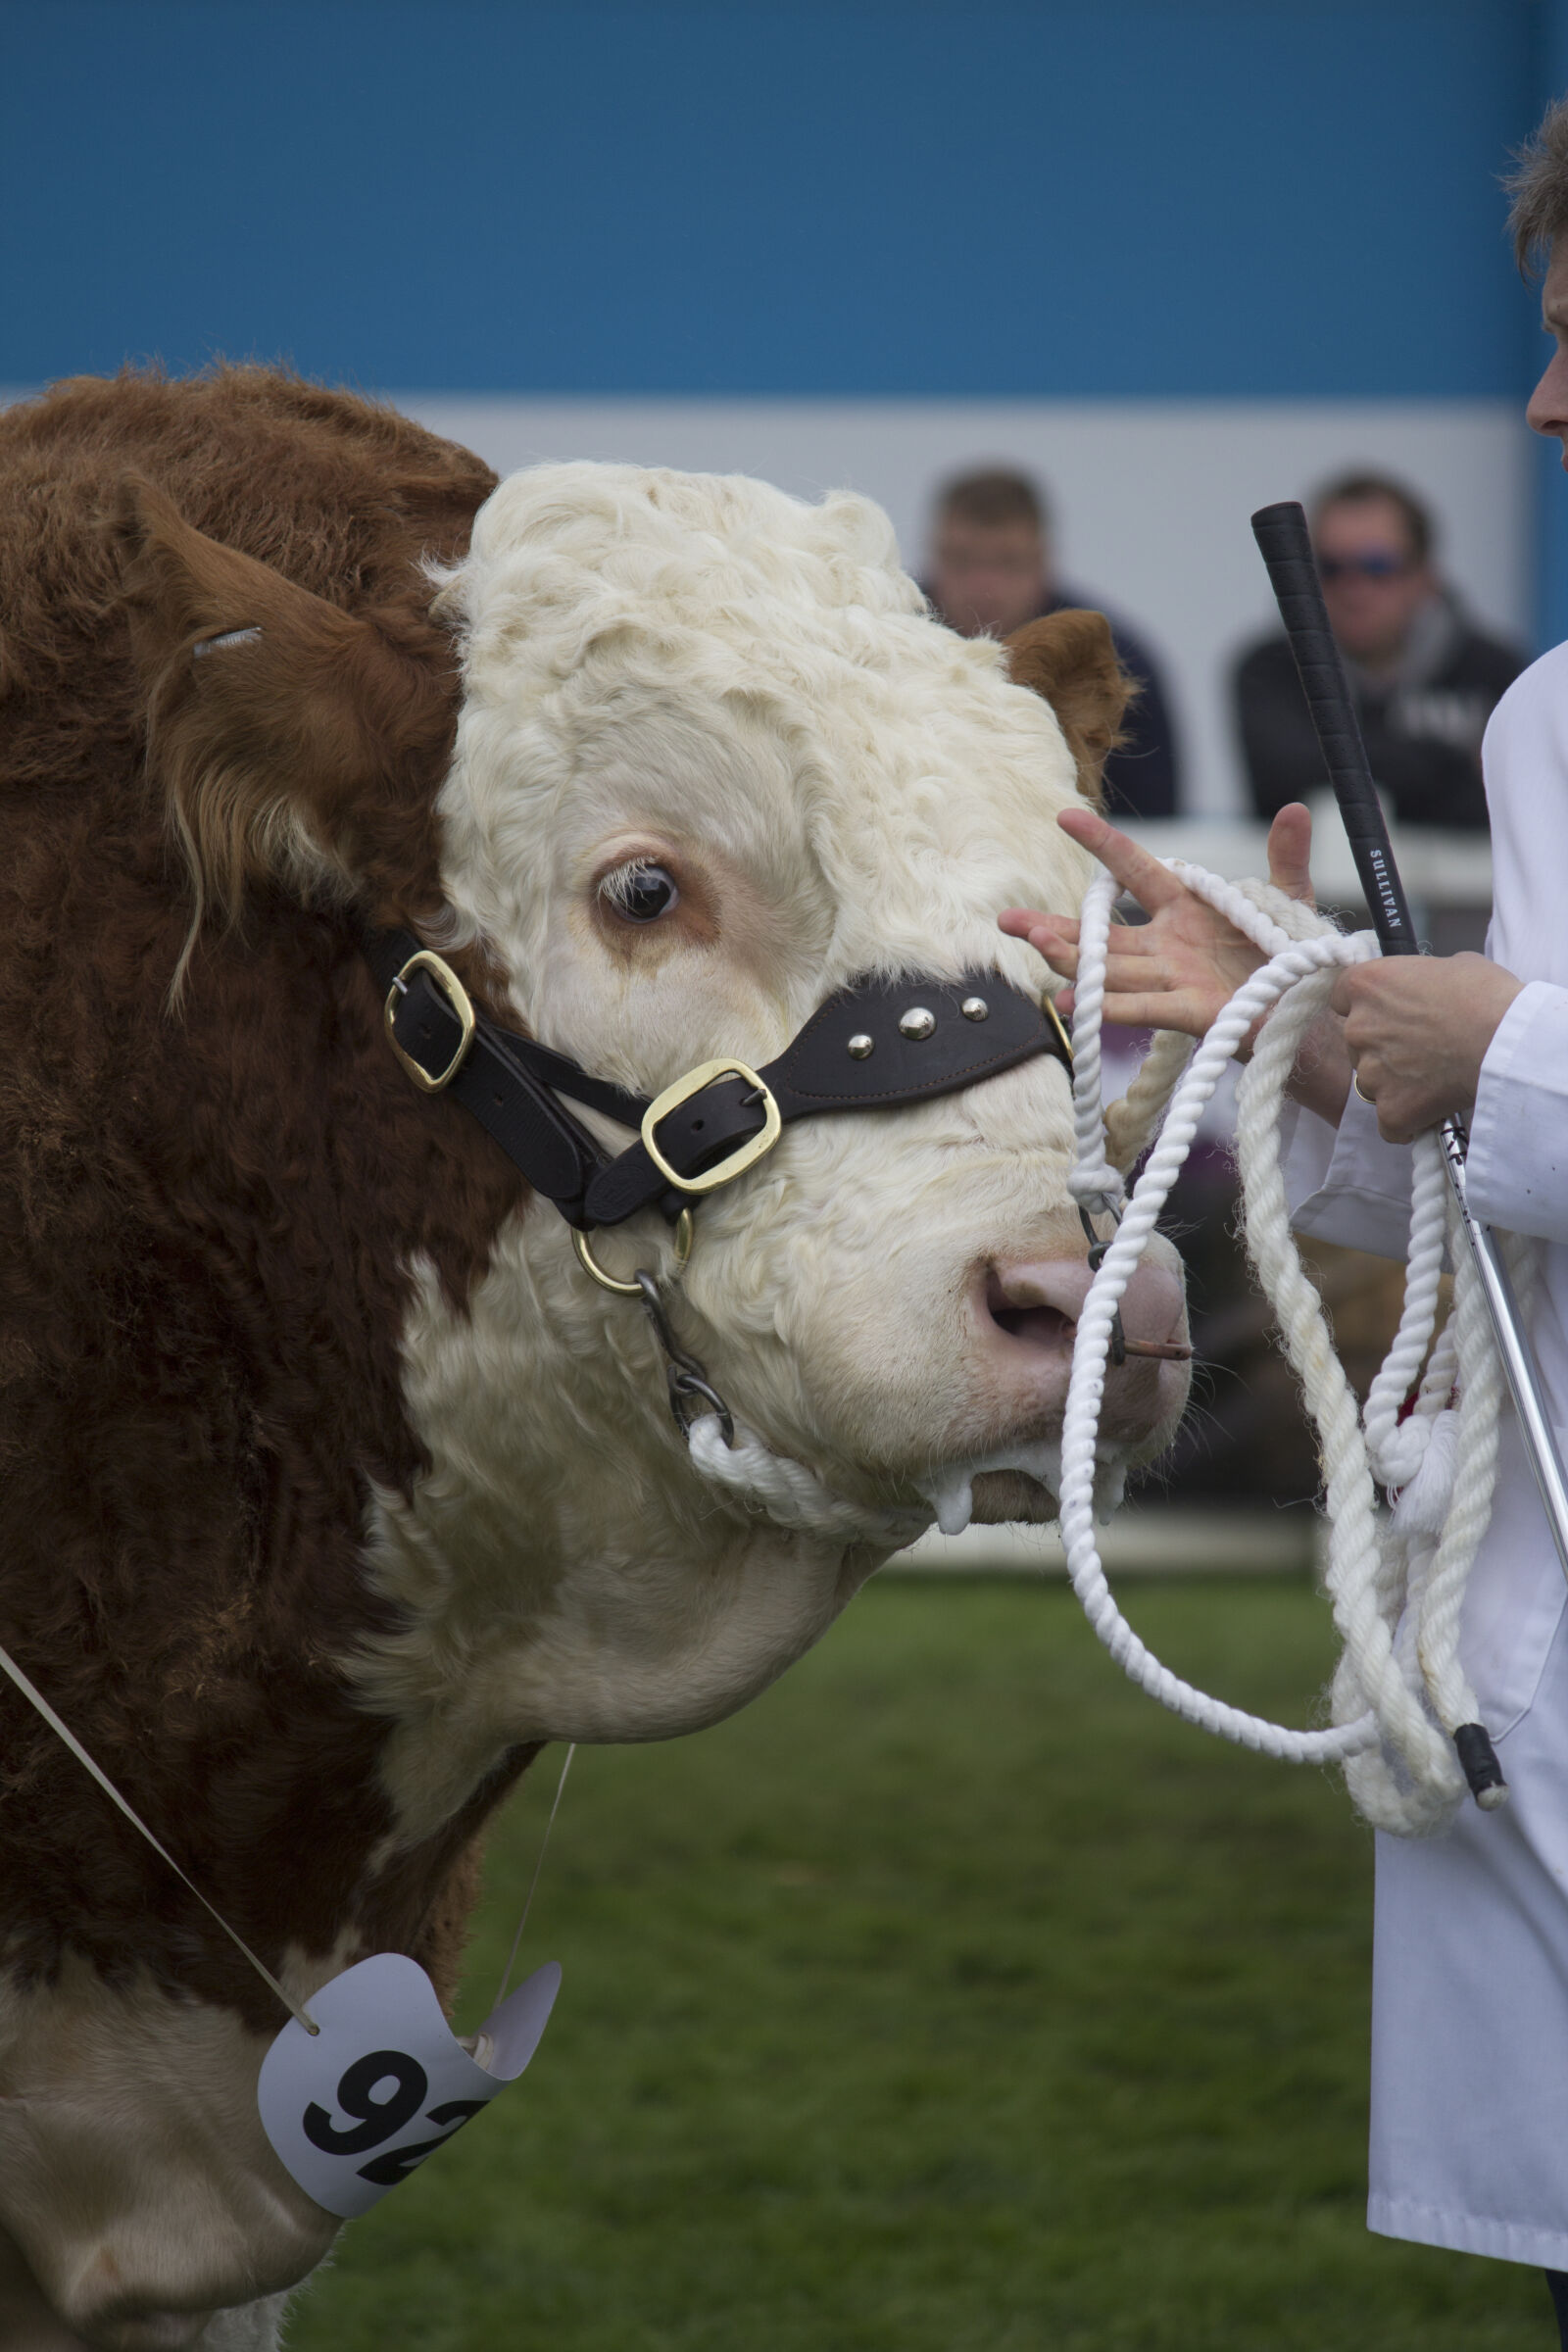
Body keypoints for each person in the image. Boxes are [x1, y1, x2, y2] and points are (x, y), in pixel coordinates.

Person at [1001, 95, 1568, 2345]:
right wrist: (1305, 1032)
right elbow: (1489, 1160)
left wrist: (1488, 1041)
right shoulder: (1549, 724)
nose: (1539, 401)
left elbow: (1526, 1076)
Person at [1234, 470, 1524, 830]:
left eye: (1377, 566)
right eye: (1330, 568)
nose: (1354, 589)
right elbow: (1282, 785)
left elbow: (1509, 805)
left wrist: (1350, 765)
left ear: (1425, 575)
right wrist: (1452, 763)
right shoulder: (1267, 667)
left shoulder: (1497, 670)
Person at [923, 466, 1181, 818]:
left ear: (1044, 561)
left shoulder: (1110, 658)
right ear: (934, 556)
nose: (984, 586)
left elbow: (1151, 822)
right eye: (962, 562)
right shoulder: (883, 640)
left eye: (1009, 563)